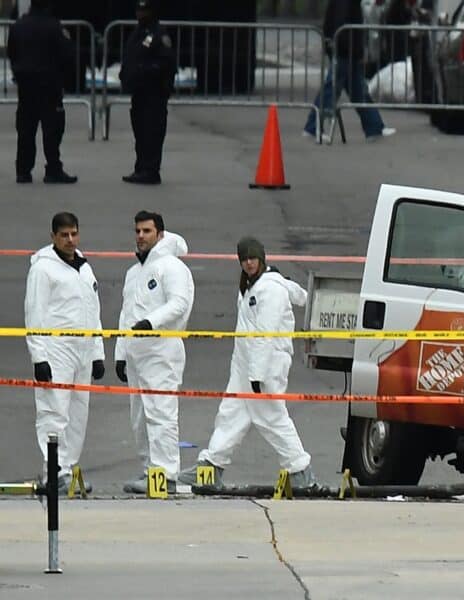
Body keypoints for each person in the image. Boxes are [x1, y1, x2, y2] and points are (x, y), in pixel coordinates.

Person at [179, 238, 317, 488]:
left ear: (262, 258)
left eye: (252, 258)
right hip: (244, 367)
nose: (249, 262)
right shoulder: (251, 286)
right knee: (230, 415)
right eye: (244, 259)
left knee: (272, 418)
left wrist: (257, 374)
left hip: (264, 368)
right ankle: (211, 467)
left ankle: (300, 471)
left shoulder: (270, 289)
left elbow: (265, 334)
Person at [115, 211, 194, 494]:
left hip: (162, 350)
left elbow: (179, 303)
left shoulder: (171, 266)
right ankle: (150, 470)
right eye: (137, 231)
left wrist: (152, 322)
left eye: (147, 231)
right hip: (137, 354)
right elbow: (127, 314)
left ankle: (167, 473)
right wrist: (120, 354)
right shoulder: (134, 272)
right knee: (140, 416)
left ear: (160, 234)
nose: (141, 236)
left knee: (161, 413)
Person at [25, 212, 103, 491]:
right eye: (64, 235)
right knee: (53, 410)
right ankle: (53, 469)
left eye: (74, 234)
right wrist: (39, 356)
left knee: (78, 412)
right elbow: (34, 314)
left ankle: (67, 468)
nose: (70, 240)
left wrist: (97, 351)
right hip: (56, 348)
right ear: (53, 237)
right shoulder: (43, 270)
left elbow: (93, 310)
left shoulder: (84, 267)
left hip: (82, 348)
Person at [7, 0, 78, 184]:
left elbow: (12, 52)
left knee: (26, 129)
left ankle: (23, 170)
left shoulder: (18, 26)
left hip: (26, 84)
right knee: (52, 129)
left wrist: (19, 72)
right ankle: (53, 168)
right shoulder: (54, 27)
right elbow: (67, 54)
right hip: (49, 85)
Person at [304, 0, 396, 142]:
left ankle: (374, 126)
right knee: (333, 88)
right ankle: (312, 126)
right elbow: (343, 24)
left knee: (357, 89)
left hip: (345, 48)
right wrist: (353, 49)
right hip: (345, 50)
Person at [120, 0, 177, 185]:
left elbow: (166, 63)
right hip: (139, 91)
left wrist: (145, 71)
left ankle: (151, 170)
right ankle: (141, 167)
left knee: (152, 131)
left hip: (154, 92)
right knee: (140, 131)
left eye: (144, 11)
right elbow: (131, 57)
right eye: (138, 10)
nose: (140, 14)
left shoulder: (159, 34)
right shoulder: (137, 33)